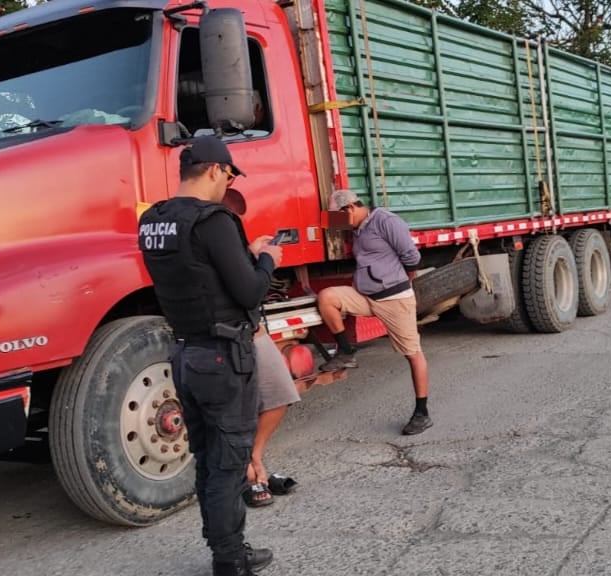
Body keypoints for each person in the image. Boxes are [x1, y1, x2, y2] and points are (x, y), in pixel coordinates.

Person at [138, 135, 280, 576]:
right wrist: (267, 260)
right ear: (217, 170)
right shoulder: (214, 219)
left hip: (185, 354)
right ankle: (229, 559)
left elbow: (198, 274)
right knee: (229, 463)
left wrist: (245, 255)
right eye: (230, 174)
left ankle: (225, 547)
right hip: (223, 357)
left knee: (208, 459)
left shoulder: (153, 221)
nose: (229, 182)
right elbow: (250, 290)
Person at [315, 189, 432, 436]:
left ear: (350, 209)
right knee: (327, 298)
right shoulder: (358, 229)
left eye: (338, 217)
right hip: (367, 297)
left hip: (394, 299)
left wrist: (400, 281)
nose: (338, 225)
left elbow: (412, 257)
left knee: (412, 354)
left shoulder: (386, 221)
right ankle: (346, 351)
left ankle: (422, 413)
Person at [220, 187, 301, 509]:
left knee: (280, 392)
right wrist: (265, 262)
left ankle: (254, 456)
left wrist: (252, 254)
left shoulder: (226, 229)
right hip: (228, 333)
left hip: (252, 328)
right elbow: (247, 289)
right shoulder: (204, 231)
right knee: (234, 411)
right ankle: (249, 472)